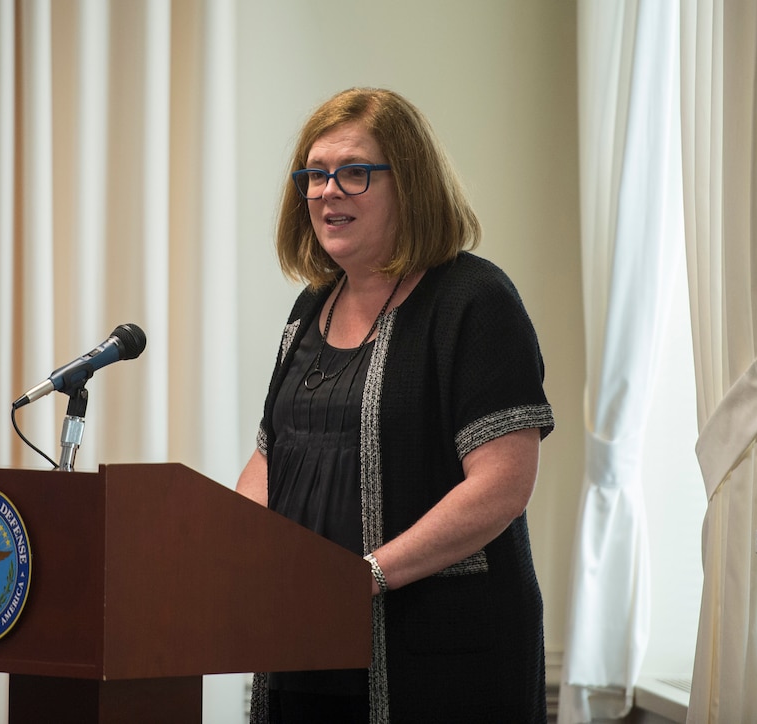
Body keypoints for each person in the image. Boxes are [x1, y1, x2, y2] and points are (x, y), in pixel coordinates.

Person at [236, 87, 555, 723]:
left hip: (440, 657)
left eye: (353, 172)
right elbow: (272, 459)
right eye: (314, 174)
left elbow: (501, 484)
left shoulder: (473, 299)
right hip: (304, 653)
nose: (328, 191)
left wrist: (365, 578)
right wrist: (228, 553)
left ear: (409, 183)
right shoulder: (309, 311)